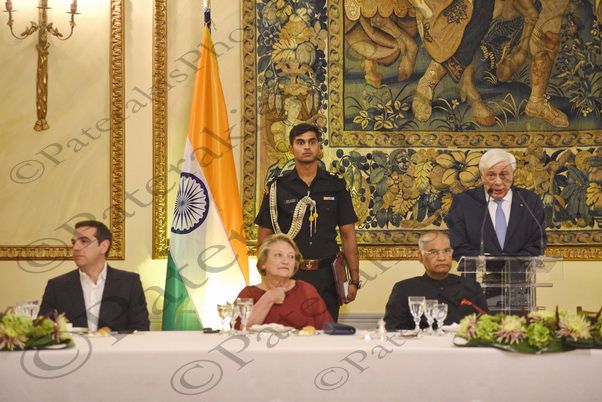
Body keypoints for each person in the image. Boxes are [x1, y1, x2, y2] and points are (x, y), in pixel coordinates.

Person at [255, 123, 360, 322]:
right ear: (291, 148)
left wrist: (354, 280)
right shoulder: (277, 188)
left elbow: (348, 235)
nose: (307, 147)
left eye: (312, 142)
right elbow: (264, 238)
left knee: (326, 333)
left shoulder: (336, 185)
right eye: (300, 142)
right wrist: (269, 278)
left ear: (319, 147)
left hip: (328, 277)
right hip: (289, 275)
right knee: (288, 331)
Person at [39, 220, 150, 332]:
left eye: (84, 241)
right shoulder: (57, 286)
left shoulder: (129, 283)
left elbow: (140, 329)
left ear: (104, 246)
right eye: (74, 242)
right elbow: (42, 330)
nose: (76, 248)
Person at [446, 148, 547, 260]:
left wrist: (511, 264)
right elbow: (458, 246)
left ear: (512, 175)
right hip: (477, 270)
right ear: (482, 176)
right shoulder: (464, 202)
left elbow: (538, 243)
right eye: (491, 175)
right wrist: (489, 264)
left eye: (504, 175)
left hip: (520, 270)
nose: (498, 182)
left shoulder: (530, 201)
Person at [384, 231, 488, 330]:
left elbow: (486, 325)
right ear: (420, 257)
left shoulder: (471, 287)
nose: (442, 258)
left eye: (447, 251)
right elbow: (392, 329)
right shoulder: (404, 289)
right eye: (433, 252)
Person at [236, 234, 333, 330]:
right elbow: (241, 332)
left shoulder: (306, 290)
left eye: (291, 257)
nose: (286, 261)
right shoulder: (248, 294)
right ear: (263, 262)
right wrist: (269, 297)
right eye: (278, 255)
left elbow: (328, 330)